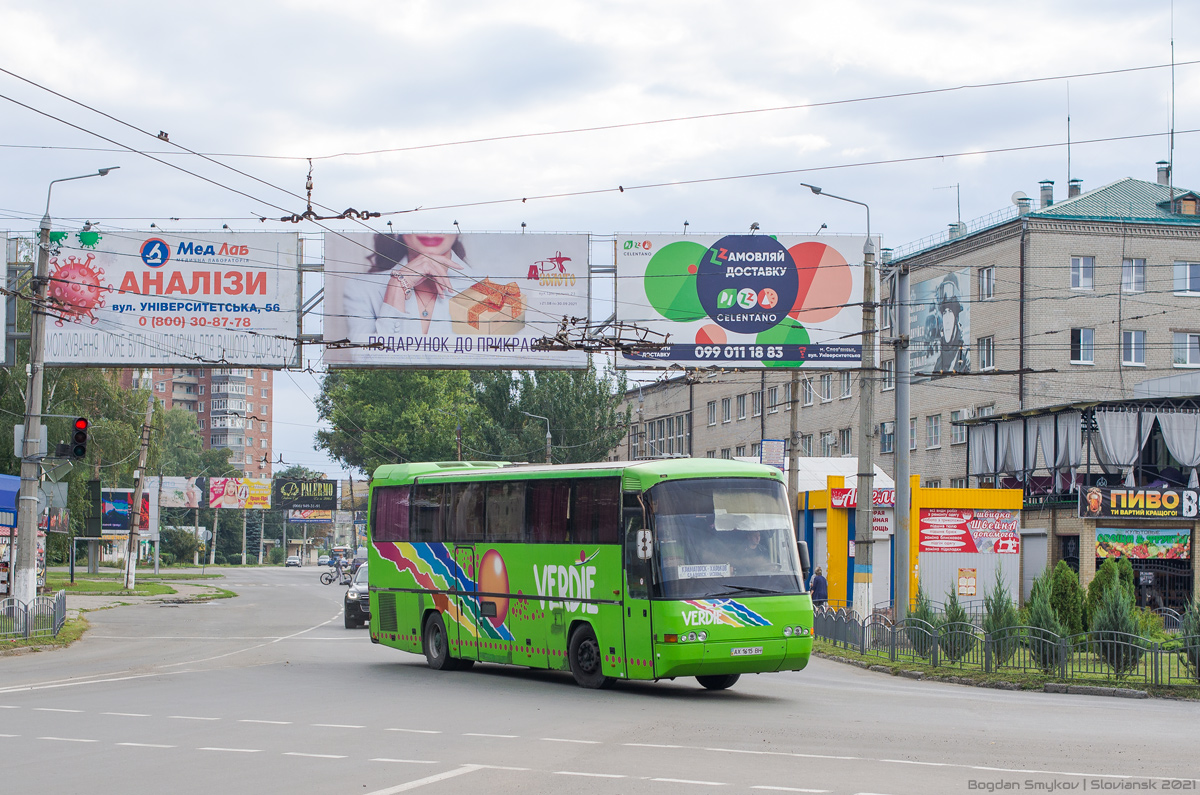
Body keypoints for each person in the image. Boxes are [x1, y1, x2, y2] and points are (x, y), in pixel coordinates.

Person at [340, 233, 472, 340]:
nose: (430, 231)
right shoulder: (360, 288)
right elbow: (365, 364)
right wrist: (397, 285)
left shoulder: (486, 288)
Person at [934, 272, 970, 374]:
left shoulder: (965, 356)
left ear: (956, 318)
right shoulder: (939, 362)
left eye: (950, 312)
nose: (947, 320)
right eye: (945, 312)